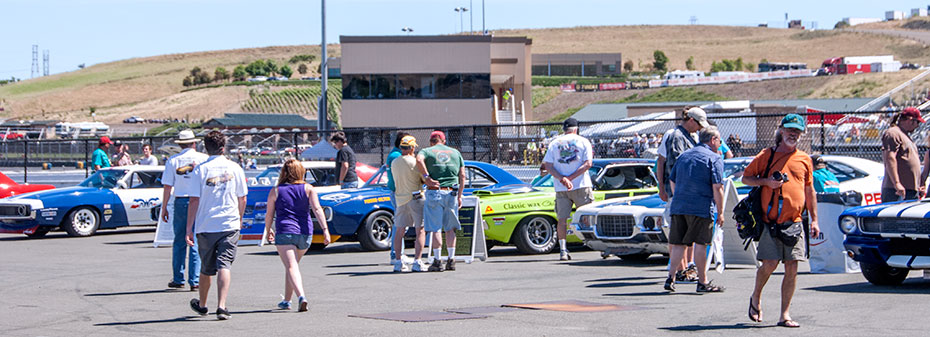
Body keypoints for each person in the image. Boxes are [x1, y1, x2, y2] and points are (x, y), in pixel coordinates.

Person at [742, 114, 820, 328]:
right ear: (781, 131)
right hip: (771, 222)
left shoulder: (804, 159)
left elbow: (809, 190)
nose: (793, 134)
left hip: (794, 222)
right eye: (789, 130)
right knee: (769, 264)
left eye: (797, 131)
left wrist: (814, 220)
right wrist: (766, 182)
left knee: (792, 267)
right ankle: (756, 296)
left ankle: (784, 314)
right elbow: (746, 178)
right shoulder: (767, 155)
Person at [186, 131, 248, 321]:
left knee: (206, 267)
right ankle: (222, 306)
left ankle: (203, 304)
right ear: (223, 148)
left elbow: (194, 200)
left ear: (206, 148)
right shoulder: (235, 167)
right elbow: (242, 197)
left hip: (206, 224)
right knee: (225, 264)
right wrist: (239, 218)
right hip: (229, 222)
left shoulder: (200, 169)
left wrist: (189, 227)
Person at [263, 159, 332, 311]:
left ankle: (301, 296)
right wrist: (325, 229)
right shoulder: (309, 188)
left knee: (291, 266)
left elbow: (269, 215)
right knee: (291, 266)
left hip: (285, 231)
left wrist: (268, 230)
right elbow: (317, 209)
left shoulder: (276, 190)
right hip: (305, 233)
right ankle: (287, 300)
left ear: (284, 173)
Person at [664, 126, 725, 293]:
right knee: (701, 243)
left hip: (679, 206)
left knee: (678, 243)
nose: (720, 144)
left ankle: (671, 277)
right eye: (719, 141)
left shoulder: (684, 156)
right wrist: (720, 212)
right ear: (713, 140)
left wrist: (680, 197)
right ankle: (703, 281)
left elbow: (672, 180)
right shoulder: (714, 158)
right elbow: (717, 187)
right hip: (701, 207)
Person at [657, 107, 708, 283]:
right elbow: (677, 164)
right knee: (677, 234)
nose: (700, 129)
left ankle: (686, 268)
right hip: (679, 193)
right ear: (691, 120)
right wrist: (664, 188)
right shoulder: (677, 136)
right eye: (699, 124)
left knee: (686, 234)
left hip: (685, 193)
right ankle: (680, 270)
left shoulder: (687, 136)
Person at [162, 130, 209, 291]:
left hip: (181, 199)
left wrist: (164, 207)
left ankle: (178, 276)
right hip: (199, 199)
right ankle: (195, 279)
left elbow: (168, 185)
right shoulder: (203, 159)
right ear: (194, 143)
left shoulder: (173, 160)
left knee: (180, 240)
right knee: (195, 239)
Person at [542, 118, 594, 261]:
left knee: (562, 219)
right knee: (589, 216)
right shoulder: (583, 141)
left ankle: (563, 249)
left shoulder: (554, 143)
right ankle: (596, 246)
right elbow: (588, 163)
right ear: (576, 129)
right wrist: (570, 178)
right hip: (581, 185)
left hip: (561, 187)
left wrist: (562, 179)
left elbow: (548, 165)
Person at [416, 130, 465, 272]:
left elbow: (418, 159)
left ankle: (437, 261)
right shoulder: (456, 153)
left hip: (434, 192)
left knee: (436, 228)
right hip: (452, 192)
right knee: (450, 228)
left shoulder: (427, 151)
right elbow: (462, 175)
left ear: (432, 141)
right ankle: (451, 259)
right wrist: (460, 195)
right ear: (444, 141)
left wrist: (426, 177)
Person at [391, 135, 427, 272]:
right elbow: (423, 179)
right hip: (415, 197)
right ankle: (417, 261)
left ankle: (398, 262)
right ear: (412, 148)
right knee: (420, 230)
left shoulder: (395, 162)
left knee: (399, 231)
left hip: (400, 199)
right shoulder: (415, 162)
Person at [883, 107, 924, 203]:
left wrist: (919, 185)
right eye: (917, 122)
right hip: (897, 191)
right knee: (894, 217)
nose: (918, 126)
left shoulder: (904, 135)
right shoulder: (893, 133)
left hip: (910, 189)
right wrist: (897, 183)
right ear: (910, 120)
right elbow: (890, 158)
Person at [385, 131, 410, 263]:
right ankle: (396, 254)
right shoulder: (397, 156)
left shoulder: (394, 154)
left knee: (401, 223)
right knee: (400, 223)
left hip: (397, 191)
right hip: (399, 192)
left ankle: (398, 253)